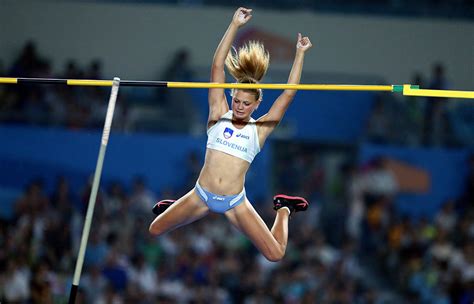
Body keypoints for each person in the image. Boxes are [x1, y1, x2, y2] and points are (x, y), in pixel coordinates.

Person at [149, 7, 312, 262]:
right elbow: (217, 67)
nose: (239, 106)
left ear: (256, 105)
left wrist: (300, 54)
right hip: (201, 195)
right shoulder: (218, 115)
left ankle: (284, 209)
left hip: (235, 203)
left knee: (276, 254)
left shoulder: (259, 130)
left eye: (246, 104)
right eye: (236, 100)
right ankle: (175, 209)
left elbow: (288, 94)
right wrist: (234, 25)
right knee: (155, 229)